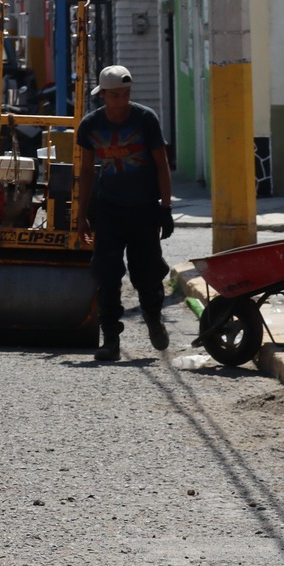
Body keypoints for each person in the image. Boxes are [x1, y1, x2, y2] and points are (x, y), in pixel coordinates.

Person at [74, 65, 174, 362]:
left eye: (126, 94)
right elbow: (86, 173)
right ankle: (111, 340)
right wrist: (81, 216)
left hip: (144, 208)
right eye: (115, 94)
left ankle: (153, 317)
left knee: (147, 271)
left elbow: (161, 165)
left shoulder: (145, 120)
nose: (122, 100)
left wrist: (165, 208)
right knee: (106, 273)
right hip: (110, 209)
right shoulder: (90, 126)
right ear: (103, 94)